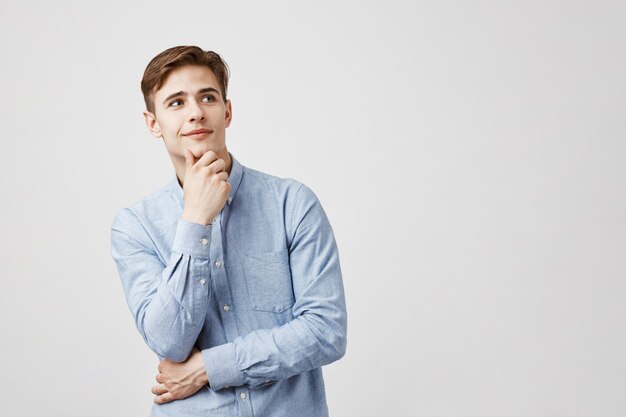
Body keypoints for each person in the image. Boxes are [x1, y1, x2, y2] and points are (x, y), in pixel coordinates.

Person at [110, 45, 347, 417]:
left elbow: (325, 331)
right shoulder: (134, 226)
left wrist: (208, 368)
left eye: (207, 97)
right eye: (176, 102)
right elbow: (168, 341)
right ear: (153, 122)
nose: (195, 113)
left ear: (228, 110)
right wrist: (195, 220)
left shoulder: (292, 204)